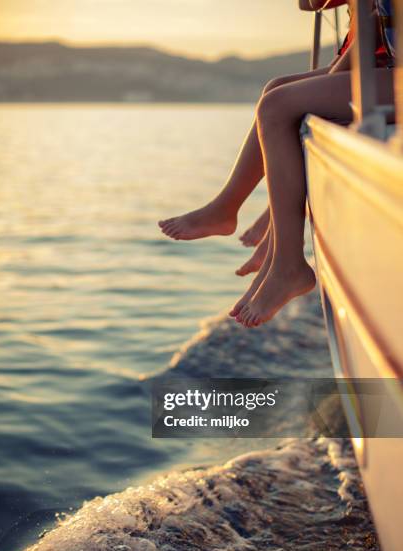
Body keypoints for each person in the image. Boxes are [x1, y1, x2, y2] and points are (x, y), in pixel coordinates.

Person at [159, 0, 395, 327]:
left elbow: (360, 27)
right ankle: (262, 239)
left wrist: (326, 80)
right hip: (380, 67)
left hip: (388, 72)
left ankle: (285, 261)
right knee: (276, 90)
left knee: (277, 106)